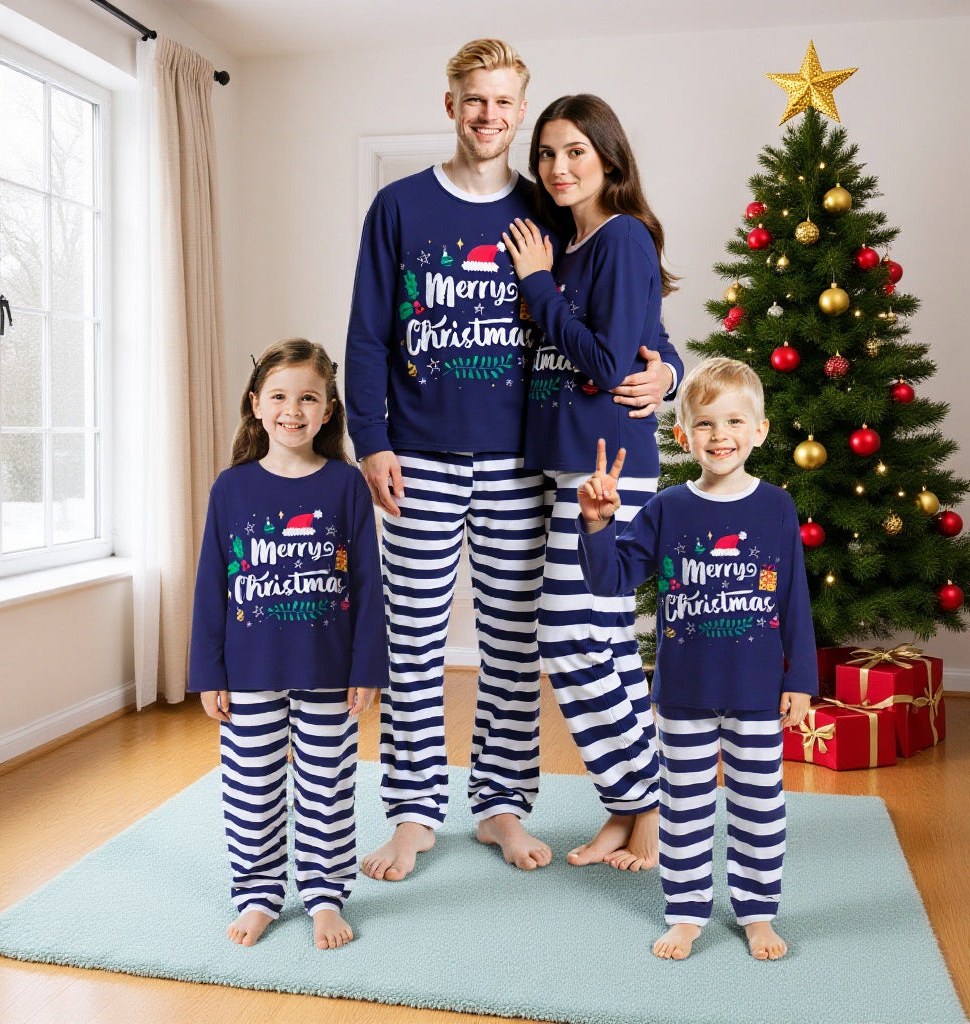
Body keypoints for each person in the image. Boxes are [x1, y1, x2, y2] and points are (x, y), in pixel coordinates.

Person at [346, 40, 671, 882]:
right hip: (415, 454)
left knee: (515, 642)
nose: (489, 116)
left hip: (526, 464)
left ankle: (499, 805)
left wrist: (666, 368)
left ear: (520, 109)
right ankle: (415, 814)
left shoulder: (554, 205)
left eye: (504, 102)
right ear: (450, 102)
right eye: (474, 99)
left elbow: (623, 308)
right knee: (414, 643)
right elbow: (367, 331)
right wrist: (371, 438)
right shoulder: (399, 206)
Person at [576, 357, 818, 961]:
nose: (720, 436)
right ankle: (686, 912)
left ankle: (757, 912)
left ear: (759, 431)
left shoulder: (776, 509)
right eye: (705, 424)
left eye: (735, 421)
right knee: (683, 811)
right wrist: (598, 523)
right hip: (683, 691)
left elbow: (793, 600)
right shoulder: (667, 510)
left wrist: (802, 680)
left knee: (759, 808)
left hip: (759, 690)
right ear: (684, 435)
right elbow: (612, 580)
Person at [503, 94, 683, 871]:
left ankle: (647, 804)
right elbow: (651, 342)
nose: (557, 167)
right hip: (563, 465)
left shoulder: (619, 241)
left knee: (574, 639)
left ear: (609, 157)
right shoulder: (568, 247)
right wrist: (671, 370)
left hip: (606, 468)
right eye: (545, 154)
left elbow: (610, 364)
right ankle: (628, 807)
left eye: (574, 150)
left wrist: (539, 289)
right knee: (601, 641)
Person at [188, 338, 387, 951]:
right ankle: (257, 894)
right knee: (251, 788)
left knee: (328, 785)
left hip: (328, 669)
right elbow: (210, 586)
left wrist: (367, 669)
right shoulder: (232, 488)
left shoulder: (347, 486)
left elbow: (367, 584)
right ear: (255, 405)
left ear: (328, 411)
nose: (292, 410)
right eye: (279, 396)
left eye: (308, 398)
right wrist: (208, 672)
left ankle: (325, 895)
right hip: (248, 671)